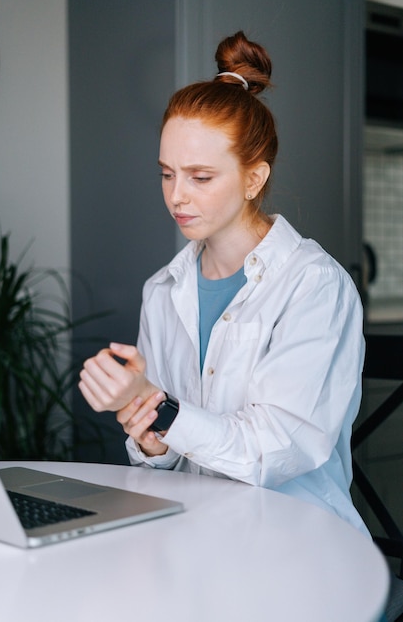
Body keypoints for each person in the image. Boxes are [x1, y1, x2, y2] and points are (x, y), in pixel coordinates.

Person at [78, 30, 369, 538]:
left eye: (200, 177)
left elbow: (273, 451)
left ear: (254, 179)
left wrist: (160, 407)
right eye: (167, 174)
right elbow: (159, 462)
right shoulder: (163, 291)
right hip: (196, 538)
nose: (177, 197)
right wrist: (146, 427)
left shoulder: (314, 287)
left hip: (299, 547)